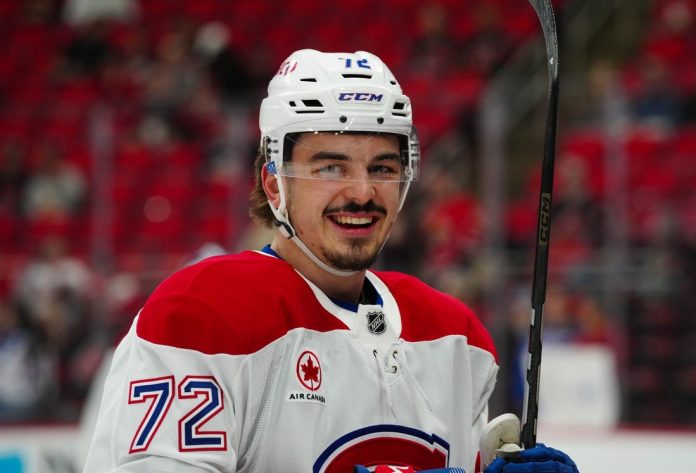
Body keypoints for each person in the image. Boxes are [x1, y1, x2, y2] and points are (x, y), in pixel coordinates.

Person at [83, 49, 578, 472]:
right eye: (331, 168)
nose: (362, 192)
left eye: (382, 168)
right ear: (274, 183)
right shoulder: (200, 317)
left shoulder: (454, 339)